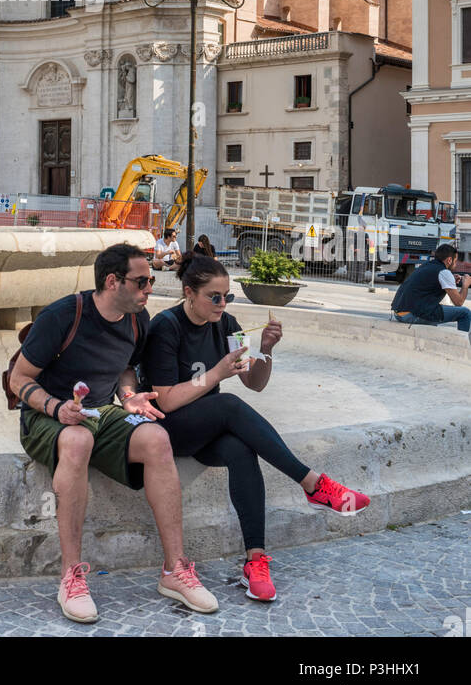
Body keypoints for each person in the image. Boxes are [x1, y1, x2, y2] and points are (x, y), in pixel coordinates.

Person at [141, 252, 370, 603]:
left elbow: (255, 383)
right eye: (213, 297)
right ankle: (312, 484)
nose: (222, 304)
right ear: (189, 293)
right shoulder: (166, 326)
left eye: (227, 296)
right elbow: (167, 400)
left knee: (241, 450)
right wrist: (216, 374)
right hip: (166, 429)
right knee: (227, 404)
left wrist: (266, 350)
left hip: (207, 427)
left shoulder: (226, 323)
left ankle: (255, 560)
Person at [10, 242, 219, 624]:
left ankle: (175, 570)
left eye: (151, 280)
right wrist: (58, 408)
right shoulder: (63, 315)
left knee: (157, 438)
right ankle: (71, 576)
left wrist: (127, 396)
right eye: (141, 282)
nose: (149, 289)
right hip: (46, 415)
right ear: (112, 281)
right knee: (77, 440)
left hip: (100, 411)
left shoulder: (138, 320)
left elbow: (126, 368)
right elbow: (18, 378)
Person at [390, 243, 470, 339]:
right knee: (465, 313)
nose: (456, 264)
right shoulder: (444, 272)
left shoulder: (426, 266)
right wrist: (465, 285)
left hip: (399, 312)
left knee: (436, 313)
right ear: (449, 260)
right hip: (411, 314)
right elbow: (459, 302)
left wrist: (450, 279)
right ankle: (462, 345)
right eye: (455, 261)